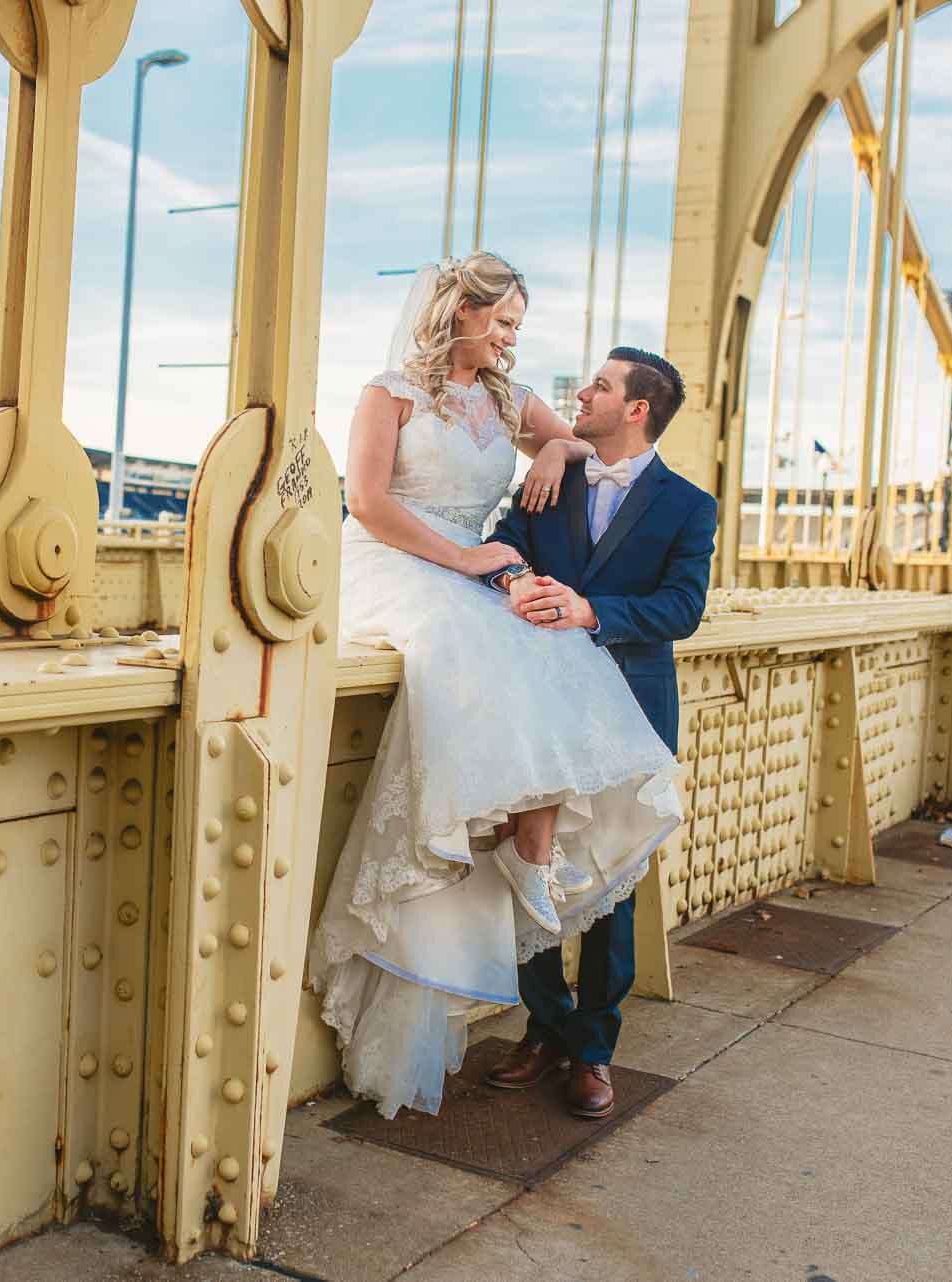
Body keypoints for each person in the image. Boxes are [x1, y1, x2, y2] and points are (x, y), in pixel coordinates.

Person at [307, 253, 683, 1119]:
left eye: (518, 323)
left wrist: (551, 440)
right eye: (502, 321)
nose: (512, 337)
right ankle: (501, 842)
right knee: (470, 637)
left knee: (552, 643)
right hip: (395, 563)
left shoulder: (510, 399)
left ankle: (532, 846)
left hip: (472, 569)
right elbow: (364, 502)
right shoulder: (389, 390)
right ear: (460, 310)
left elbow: (584, 439)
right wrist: (469, 557)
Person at [478, 346, 717, 1118]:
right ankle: (542, 1028)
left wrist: (593, 611)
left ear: (638, 408)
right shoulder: (551, 479)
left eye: (601, 386)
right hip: (543, 702)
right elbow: (502, 544)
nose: (582, 393)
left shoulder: (689, 506)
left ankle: (594, 1050)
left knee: (612, 881)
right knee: (535, 860)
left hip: (629, 710)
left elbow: (681, 609)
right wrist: (517, 576)